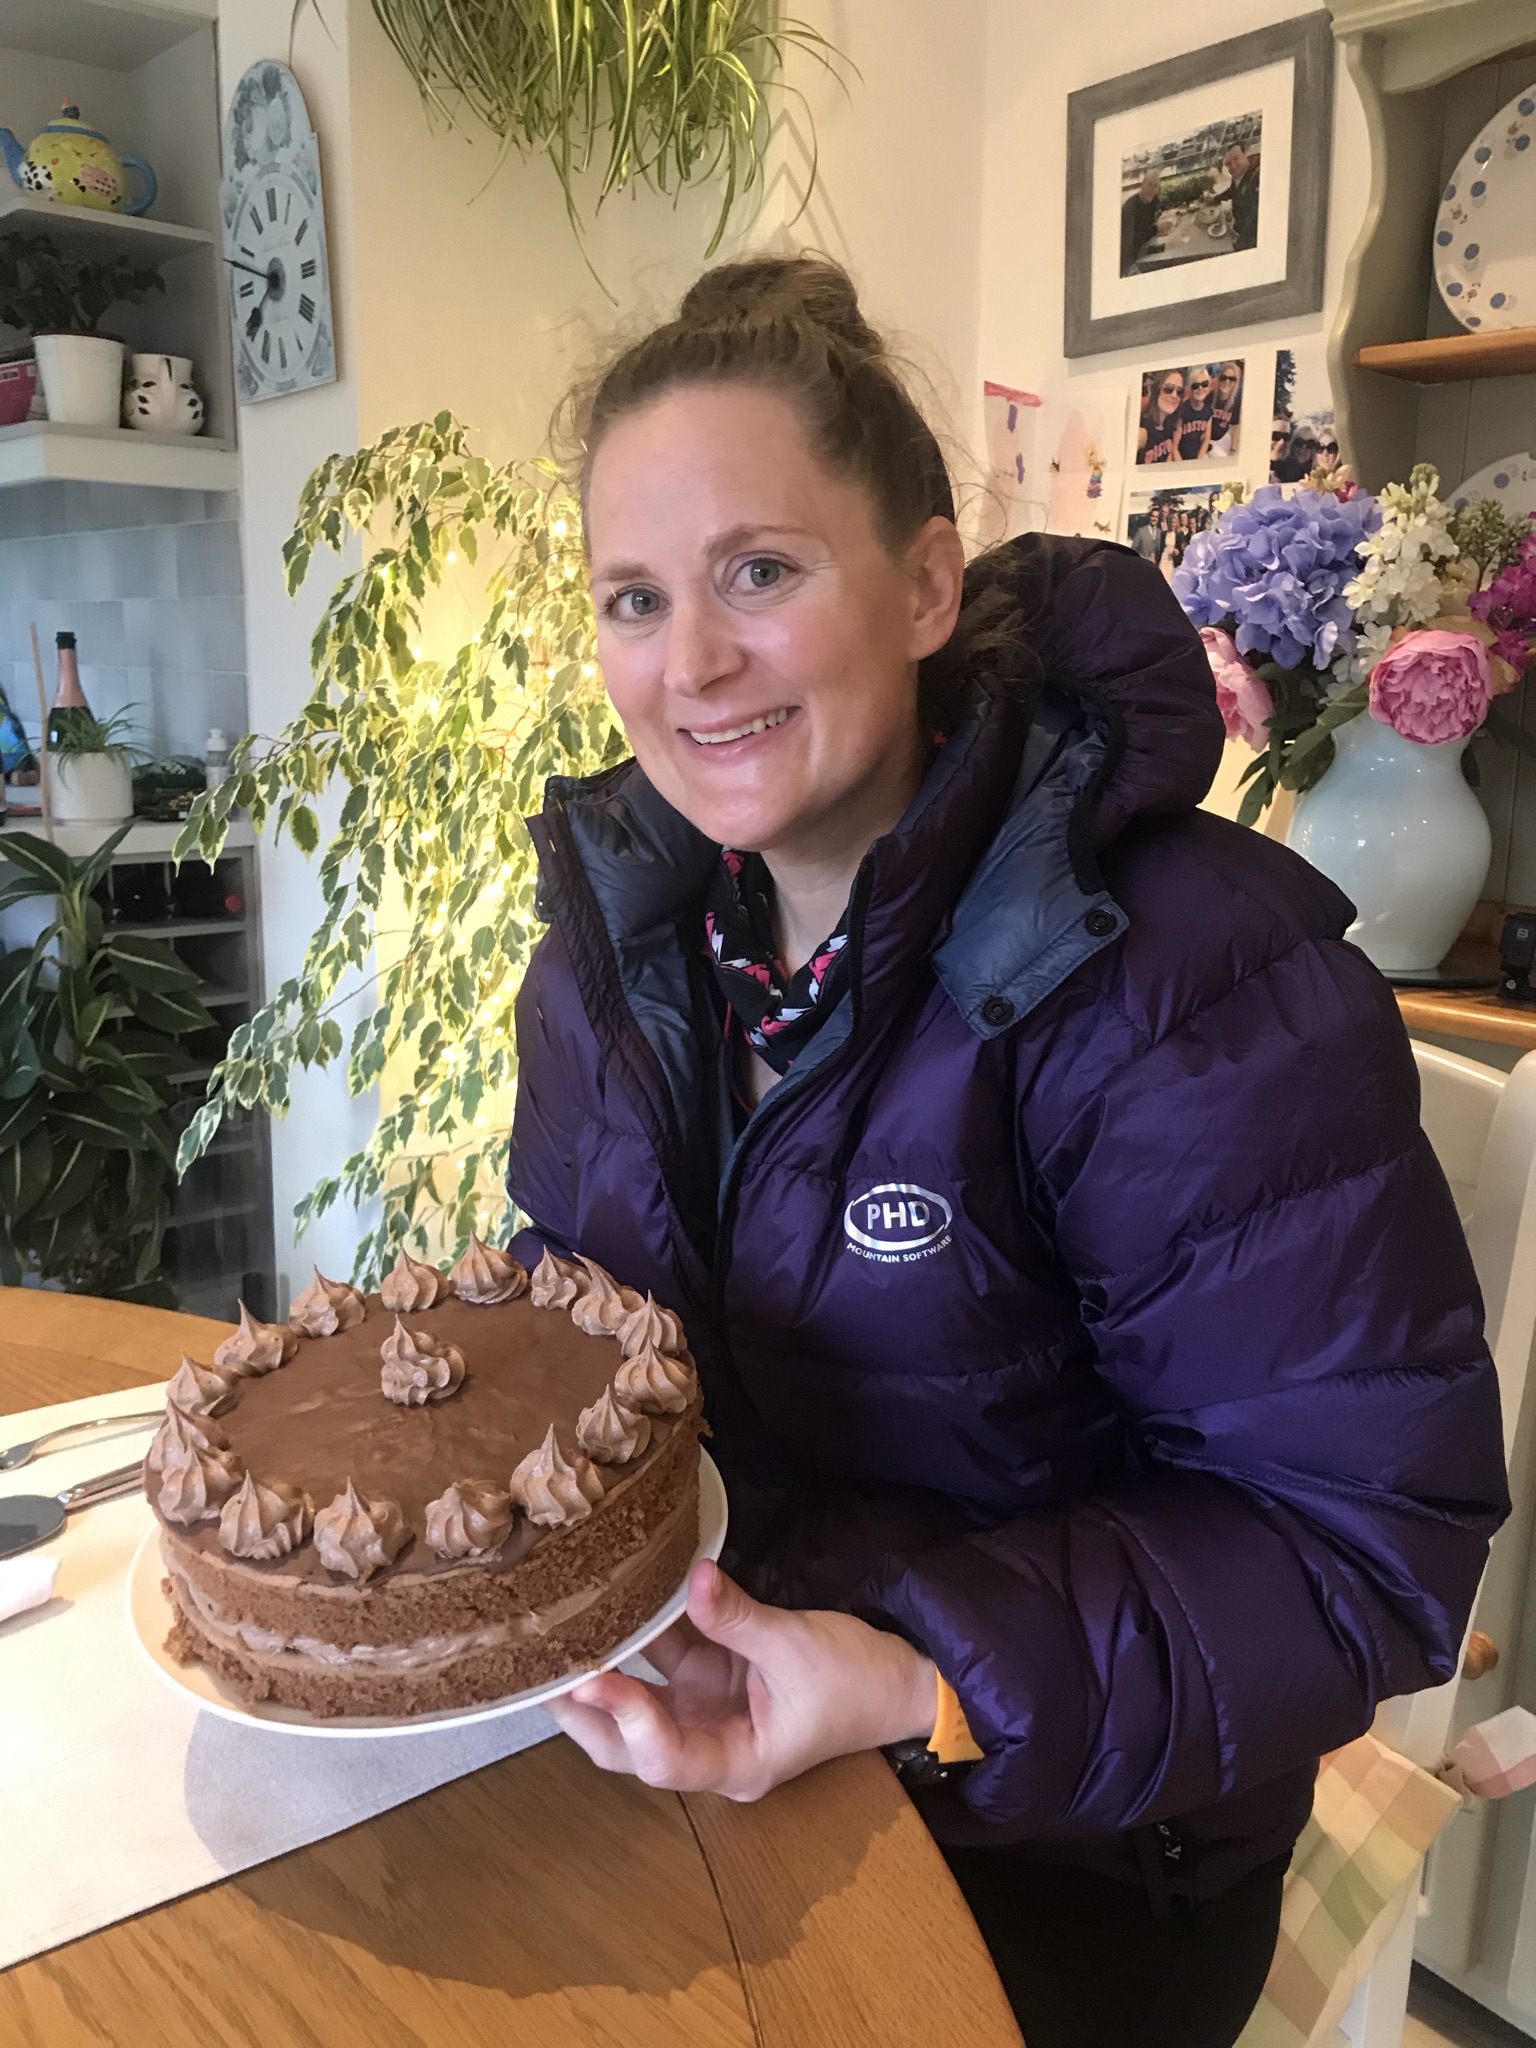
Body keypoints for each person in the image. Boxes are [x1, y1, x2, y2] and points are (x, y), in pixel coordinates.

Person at [508, 254, 1506, 2048]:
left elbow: (1361, 1544)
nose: (693, 661)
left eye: (759, 571)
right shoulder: (613, 958)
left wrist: (911, 1671)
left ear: (920, 583)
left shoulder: (1183, 977)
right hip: (704, 1710)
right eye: (634, 597)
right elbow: (574, 1307)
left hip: (1080, 1832)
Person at [1121, 167, 1164, 274]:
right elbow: (1130, 240)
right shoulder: (1131, 207)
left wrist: (1158, 227)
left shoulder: (1154, 200)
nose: (1152, 189)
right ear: (1142, 185)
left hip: (1145, 248)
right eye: (1149, 184)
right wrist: (1157, 229)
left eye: (1155, 186)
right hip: (1130, 260)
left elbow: (1147, 225)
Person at [1138, 368, 1184, 463]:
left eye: (1179, 391)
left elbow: (1169, 456)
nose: (1174, 395)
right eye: (1168, 389)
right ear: (1157, 391)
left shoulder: (1171, 425)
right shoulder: (1142, 430)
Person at [1225, 140, 1260, 250]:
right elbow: (1231, 191)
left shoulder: (1257, 177)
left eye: (1236, 158)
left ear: (1246, 154)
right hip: (1237, 230)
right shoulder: (1238, 175)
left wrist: (1240, 245)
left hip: (1250, 241)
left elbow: (1254, 218)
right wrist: (1215, 199)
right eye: (1229, 164)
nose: (1233, 166)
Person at [1176, 366, 1216, 461]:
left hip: (1199, 456)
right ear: (1189, 389)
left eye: (1204, 384)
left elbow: (1206, 440)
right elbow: (1174, 447)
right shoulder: (1182, 410)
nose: (1200, 388)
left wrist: (1198, 461)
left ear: (1209, 387)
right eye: (1195, 386)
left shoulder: (1208, 411)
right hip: (1182, 457)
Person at [1210, 361, 1242, 453]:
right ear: (1219, 378)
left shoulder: (1236, 401)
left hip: (1222, 438)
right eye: (1223, 378)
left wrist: (1233, 449)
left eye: (1231, 379)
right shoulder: (1210, 397)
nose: (1227, 382)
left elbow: (1235, 427)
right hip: (1207, 439)